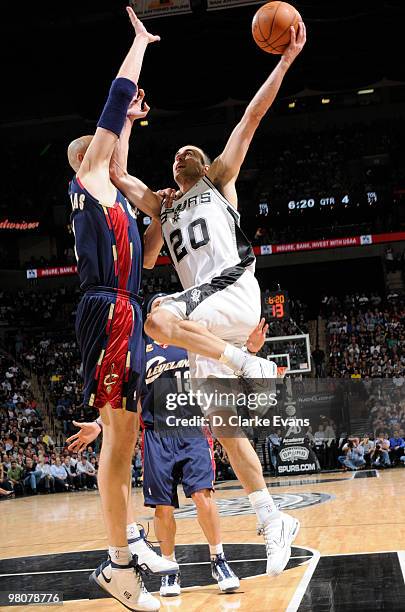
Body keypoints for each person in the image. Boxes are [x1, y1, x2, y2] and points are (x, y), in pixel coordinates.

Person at [110, 22, 306, 577]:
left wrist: (287, 60)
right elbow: (120, 173)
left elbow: (251, 117)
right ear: (172, 171)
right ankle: (273, 518)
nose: (184, 153)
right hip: (209, 323)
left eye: (191, 149)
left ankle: (250, 362)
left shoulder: (219, 180)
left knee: (156, 315)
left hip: (233, 292)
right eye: (177, 153)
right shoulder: (163, 206)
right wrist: (125, 120)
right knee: (223, 424)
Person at [66, 8, 172, 611]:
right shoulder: (90, 179)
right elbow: (114, 104)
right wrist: (139, 45)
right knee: (120, 443)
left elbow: (151, 252)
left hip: (126, 306)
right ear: (92, 160)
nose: (115, 150)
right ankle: (120, 563)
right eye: (109, 147)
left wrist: (156, 212)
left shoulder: (120, 202)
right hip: (109, 312)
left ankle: (123, 556)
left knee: (124, 440)